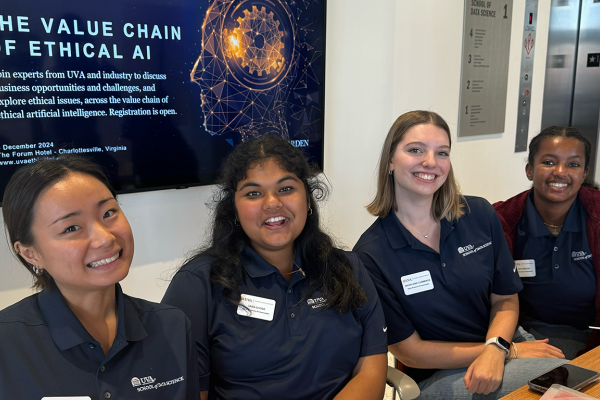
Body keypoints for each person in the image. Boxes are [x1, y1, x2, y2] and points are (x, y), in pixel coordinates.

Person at [353, 111, 566, 399]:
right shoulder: (370, 254)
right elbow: (410, 352)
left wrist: (497, 347)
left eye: (442, 153)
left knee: (575, 382)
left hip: (504, 341)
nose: (430, 162)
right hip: (442, 372)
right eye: (415, 150)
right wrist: (502, 352)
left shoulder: (478, 214)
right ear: (390, 159)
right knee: (563, 383)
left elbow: (504, 299)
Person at [162, 135, 388, 400]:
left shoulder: (348, 269)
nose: (272, 203)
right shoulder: (198, 284)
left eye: (285, 188)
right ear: (234, 208)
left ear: (307, 198)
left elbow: (371, 370)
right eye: (253, 193)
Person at [0, 156, 198, 399]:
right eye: (71, 228)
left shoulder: (172, 327)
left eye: (109, 212)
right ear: (31, 253)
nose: (105, 238)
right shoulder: (7, 342)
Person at [494, 126, 600, 359]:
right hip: (523, 332)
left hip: (591, 334)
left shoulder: (596, 217)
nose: (560, 172)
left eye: (573, 164)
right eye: (549, 162)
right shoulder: (502, 221)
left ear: (584, 173)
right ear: (529, 170)